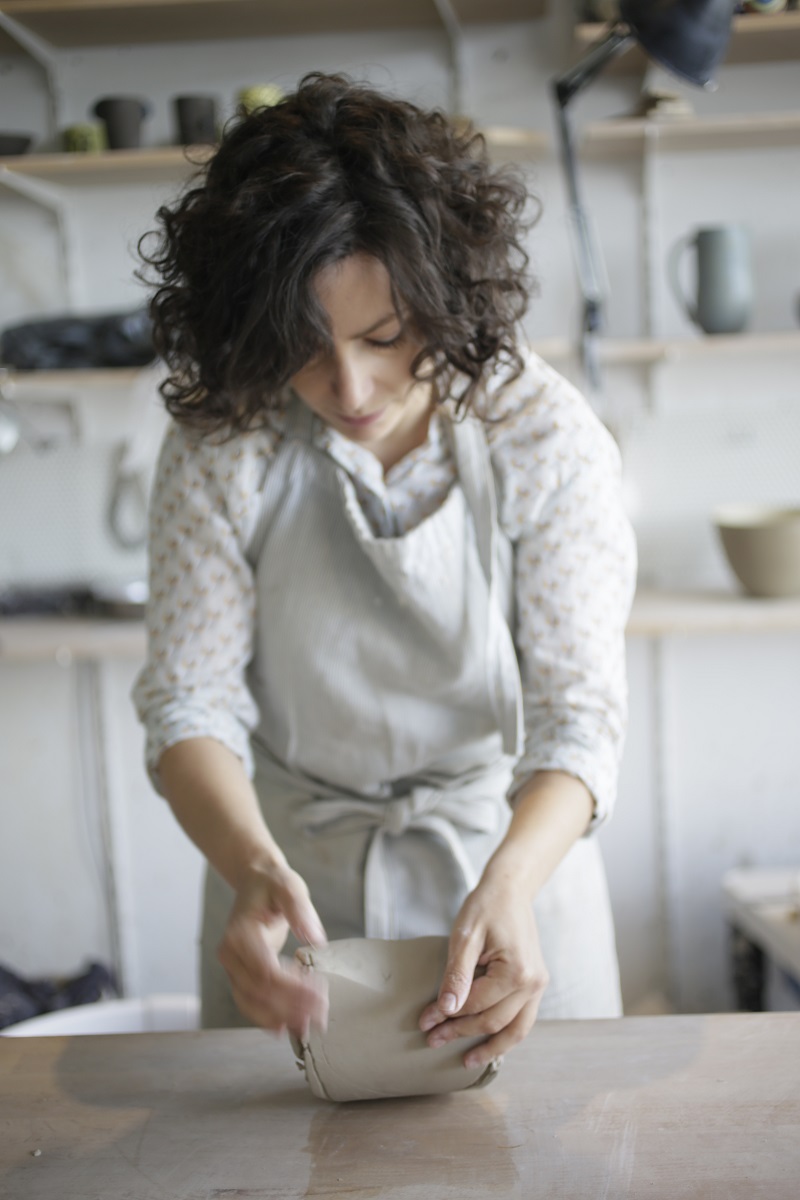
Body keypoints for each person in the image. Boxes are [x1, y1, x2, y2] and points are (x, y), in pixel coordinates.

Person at [133, 72, 637, 1069]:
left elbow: (578, 716)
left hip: (510, 873)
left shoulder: (540, 434)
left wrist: (511, 884)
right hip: (291, 886)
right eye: (303, 348)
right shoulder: (223, 441)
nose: (349, 388)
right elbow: (186, 703)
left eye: (382, 338)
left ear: (441, 301)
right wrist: (249, 870)